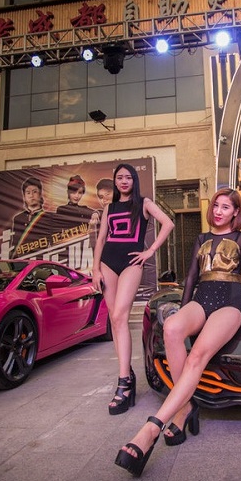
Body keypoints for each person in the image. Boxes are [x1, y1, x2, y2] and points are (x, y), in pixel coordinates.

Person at [114, 188, 241, 477]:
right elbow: (192, 276)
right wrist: (183, 310)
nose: (218, 211)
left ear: (235, 212)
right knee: (172, 328)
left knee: (196, 357)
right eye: (216, 205)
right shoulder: (202, 238)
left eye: (226, 207)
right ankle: (185, 406)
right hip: (201, 299)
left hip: (230, 302)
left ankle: (153, 427)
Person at [91, 164, 174, 416]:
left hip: (132, 263)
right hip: (108, 262)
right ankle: (126, 374)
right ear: (115, 182)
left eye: (128, 177)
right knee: (115, 320)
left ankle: (124, 383)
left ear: (134, 180)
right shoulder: (109, 208)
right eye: (120, 178)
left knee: (120, 316)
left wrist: (150, 251)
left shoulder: (144, 203)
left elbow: (168, 223)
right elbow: (101, 239)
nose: (124, 181)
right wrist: (95, 269)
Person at [9, 177, 53, 258]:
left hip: (41, 260)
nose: (31, 196)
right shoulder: (18, 218)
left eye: (34, 192)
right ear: (24, 196)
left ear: (40, 194)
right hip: (21, 261)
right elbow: (14, 245)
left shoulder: (49, 217)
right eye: (28, 193)